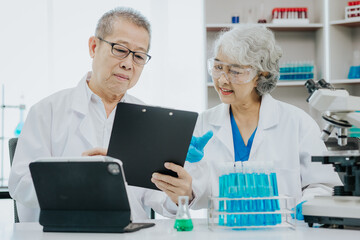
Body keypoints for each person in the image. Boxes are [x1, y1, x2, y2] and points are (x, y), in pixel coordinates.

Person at [8, 7, 192, 222]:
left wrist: (181, 194)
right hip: (64, 234)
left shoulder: (150, 122)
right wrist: (75, 177)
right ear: (94, 47)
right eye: (120, 49)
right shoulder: (46, 111)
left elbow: (158, 197)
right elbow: (20, 185)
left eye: (139, 56)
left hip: (130, 233)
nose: (128, 63)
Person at [181, 26, 342, 218]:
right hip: (223, 231)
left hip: (283, 232)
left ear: (261, 75)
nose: (222, 80)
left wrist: (308, 204)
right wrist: (191, 182)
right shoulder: (203, 123)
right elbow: (197, 197)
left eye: (235, 71)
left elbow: (323, 185)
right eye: (218, 67)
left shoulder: (299, 123)